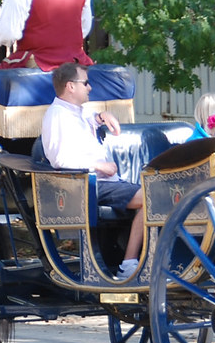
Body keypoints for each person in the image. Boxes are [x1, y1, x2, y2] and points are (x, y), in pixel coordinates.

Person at [41, 62, 143, 280]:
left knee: (157, 197)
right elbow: (59, 159)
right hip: (87, 185)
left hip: (101, 182)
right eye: (85, 83)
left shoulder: (72, 113)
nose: (90, 88)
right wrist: (99, 166)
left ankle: (138, 259)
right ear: (70, 86)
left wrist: (99, 118)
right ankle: (129, 264)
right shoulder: (57, 115)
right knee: (152, 199)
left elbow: (79, 131)